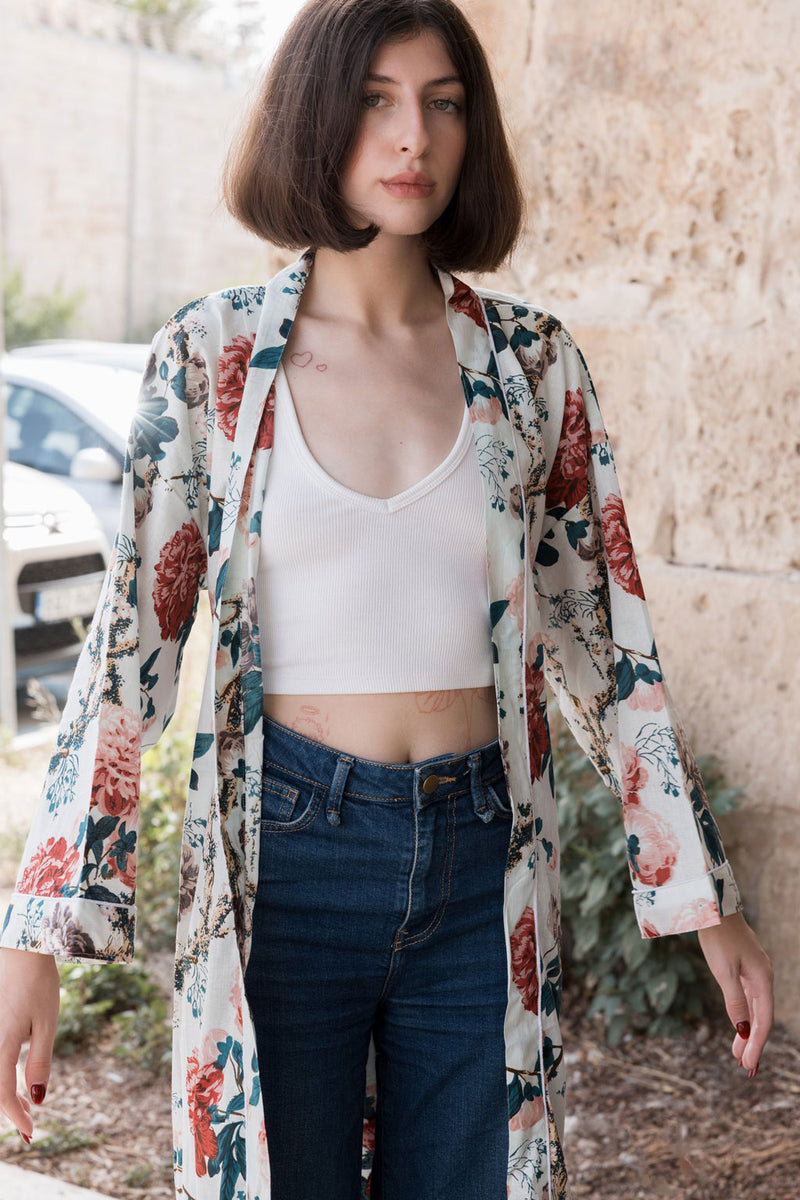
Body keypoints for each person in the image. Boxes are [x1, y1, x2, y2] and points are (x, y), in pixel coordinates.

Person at [0, 1, 774, 1198]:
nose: (411, 134)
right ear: (316, 117)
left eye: (442, 101)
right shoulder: (213, 360)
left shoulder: (529, 366)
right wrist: (38, 933)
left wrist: (695, 896)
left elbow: (605, 641)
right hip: (286, 868)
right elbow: (128, 655)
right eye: (374, 98)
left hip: (481, 866)